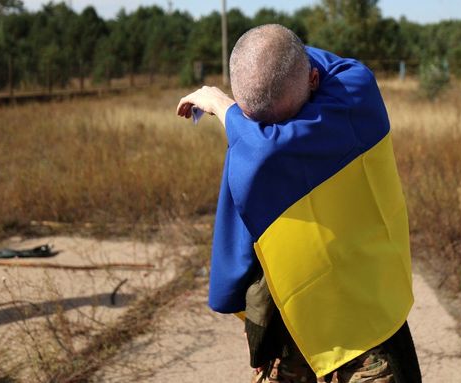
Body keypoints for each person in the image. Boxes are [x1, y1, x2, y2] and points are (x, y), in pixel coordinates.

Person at [176, 24, 421, 383]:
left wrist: (222, 105)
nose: (273, 131)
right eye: (258, 124)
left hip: (365, 334)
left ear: (315, 79)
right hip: (295, 326)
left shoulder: (265, 147)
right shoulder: (355, 90)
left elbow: (263, 149)